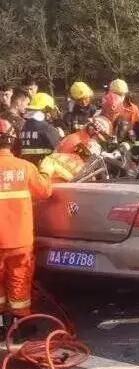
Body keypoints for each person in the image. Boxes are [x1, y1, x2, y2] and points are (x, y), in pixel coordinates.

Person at [0, 118, 52, 333]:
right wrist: (47, 171)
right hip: (19, 240)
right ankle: (20, 323)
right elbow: (45, 191)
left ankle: (1, 324)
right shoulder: (26, 168)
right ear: (12, 141)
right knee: (19, 279)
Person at [20, 93, 61, 165]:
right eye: (50, 110)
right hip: (44, 170)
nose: (50, 114)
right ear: (45, 110)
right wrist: (60, 135)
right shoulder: (47, 129)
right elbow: (60, 151)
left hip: (28, 169)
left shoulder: (24, 127)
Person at [0, 87, 31, 156]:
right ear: (19, 102)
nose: (27, 107)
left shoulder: (1, 117)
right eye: (27, 103)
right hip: (15, 158)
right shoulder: (22, 123)